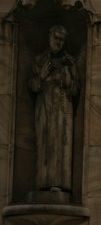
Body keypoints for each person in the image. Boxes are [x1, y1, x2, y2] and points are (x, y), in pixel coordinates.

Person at [29, 22, 79, 195]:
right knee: (44, 143)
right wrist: (42, 74)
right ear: (49, 38)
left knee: (61, 143)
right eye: (55, 38)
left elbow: (75, 89)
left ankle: (59, 183)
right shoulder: (40, 60)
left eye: (61, 39)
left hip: (63, 109)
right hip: (44, 107)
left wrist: (66, 76)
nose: (58, 42)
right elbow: (33, 86)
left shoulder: (70, 62)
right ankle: (42, 182)